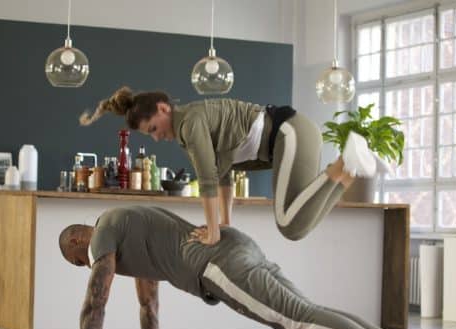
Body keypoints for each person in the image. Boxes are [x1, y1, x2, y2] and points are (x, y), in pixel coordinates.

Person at [50, 205, 437, 329]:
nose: (84, 264)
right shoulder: (127, 227)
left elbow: (93, 304)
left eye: (76, 262)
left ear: (75, 243)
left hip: (215, 265)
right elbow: (148, 303)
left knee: (299, 318)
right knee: (307, 309)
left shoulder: (102, 235)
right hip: (235, 245)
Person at [79, 88, 391, 244]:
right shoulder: (192, 127)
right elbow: (223, 173)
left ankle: (344, 161)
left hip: (289, 132)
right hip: (292, 135)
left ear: (163, 109)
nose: (157, 137)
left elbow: (208, 180)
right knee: (296, 227)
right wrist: (225, 223)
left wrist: (213, 232)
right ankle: (348, 170)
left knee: (288, 223)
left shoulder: (190, 123)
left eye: (153, 129)